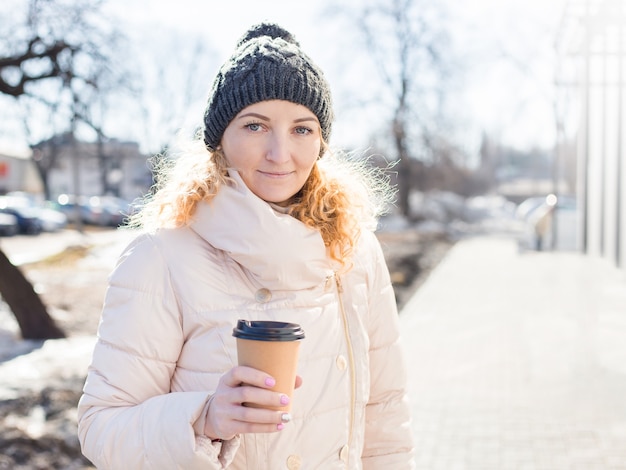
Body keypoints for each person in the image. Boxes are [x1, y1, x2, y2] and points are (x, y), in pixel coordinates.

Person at [77, 22, 415, 469]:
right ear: (219, 140)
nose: (280, 153)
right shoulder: (161, 257)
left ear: (321, 141)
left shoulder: (353, 251)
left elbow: (385, 415)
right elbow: (101, 428)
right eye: (255, 126)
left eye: (302, 129)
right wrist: (205, 420)